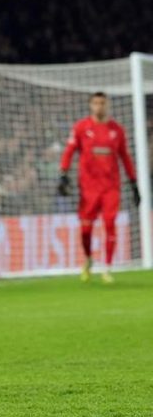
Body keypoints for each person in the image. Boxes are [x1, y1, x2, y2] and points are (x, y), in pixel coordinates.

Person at [58, 92, 138, 283]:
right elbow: (69, 151)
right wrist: (63, 174)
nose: (99, 106)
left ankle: (107, 268)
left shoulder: (117, 130)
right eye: (95, 103)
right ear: (90, 105)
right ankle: (88, 259)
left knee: (110, 224)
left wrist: (133, 183)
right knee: (86, 230)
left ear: (107, 105)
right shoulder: (81, 127)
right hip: (88, 188)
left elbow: (125, 157)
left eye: (102, 103)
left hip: (111, 187)